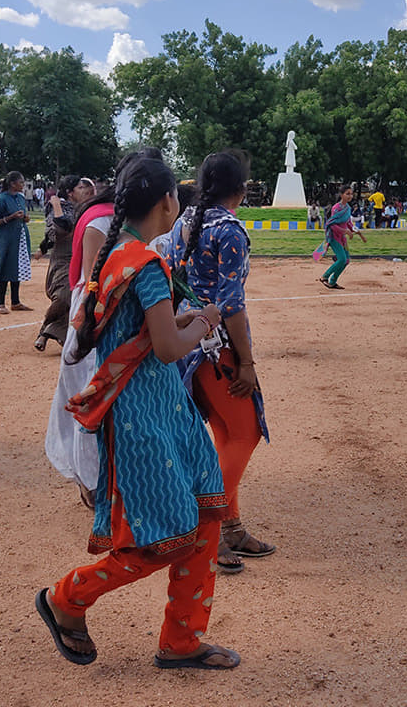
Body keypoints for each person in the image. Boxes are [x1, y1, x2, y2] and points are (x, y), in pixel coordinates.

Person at [35, 153, 240, 671]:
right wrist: (206, 319)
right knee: (161, 540)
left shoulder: (120, 254)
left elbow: (147, 331)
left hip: (163, 412)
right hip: (144, 420)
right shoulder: (145, 264)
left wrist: (182, 317)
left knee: (206, 518)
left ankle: (182, 641)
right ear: (168, 200)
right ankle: (68, 597)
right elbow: (170, 347)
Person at [169, 150, 274, 576]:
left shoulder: (185, 222)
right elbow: (232, 304)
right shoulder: (228, 229)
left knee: (224, 435)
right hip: (220, 349)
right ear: (241, 189)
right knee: (245, 434)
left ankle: (229, 526)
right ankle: (204, 530)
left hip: (189, 345)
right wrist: (246, 362)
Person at [35, 176, 95, 352]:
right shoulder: (58, 207)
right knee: (63, 296)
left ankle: (49, 333)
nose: (86, 191)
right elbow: (62, 228)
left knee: (77, 297)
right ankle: (45, 331)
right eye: (81, 187)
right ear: (69, 193)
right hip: (63, 258)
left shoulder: (84, 208)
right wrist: (56, 206)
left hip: (80, 255)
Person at [0, 171, 33, 315]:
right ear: (12, 184)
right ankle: (0, 303)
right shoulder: (1, 199)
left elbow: (22, 216)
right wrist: (11, 217)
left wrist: (24, 218)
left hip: (19, 238)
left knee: (17, 268)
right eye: (21, 182)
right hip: (5, 240)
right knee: (5, 268)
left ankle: (15, 302)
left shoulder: (20, 198)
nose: (23, 185)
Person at [314, 184, 366, 289]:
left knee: (346, 260)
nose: (350, 196)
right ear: (341, 195)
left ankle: (332, 282)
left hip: (342, 238)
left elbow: (348, 222)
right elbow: (332, 225)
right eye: (347, 194)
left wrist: (354, 230)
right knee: (342, 259)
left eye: (351, 194)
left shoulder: (348, 208)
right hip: (334, 237)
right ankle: (325, 276)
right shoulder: (336, 208)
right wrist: (345, 231)